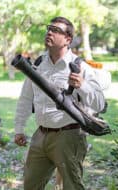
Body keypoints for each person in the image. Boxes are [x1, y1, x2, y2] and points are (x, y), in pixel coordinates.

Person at [14, 16, 105, 190]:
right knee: (30, 185)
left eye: (56, 30)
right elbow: (25, 99)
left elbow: (99, 104)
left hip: (69, 137)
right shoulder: (38, 64)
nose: (49, 32)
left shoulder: (80, 66)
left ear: (67, 40)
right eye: (49, 28)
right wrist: (19, 129)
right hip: (40, 136)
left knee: (71, 186)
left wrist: (82, 86)